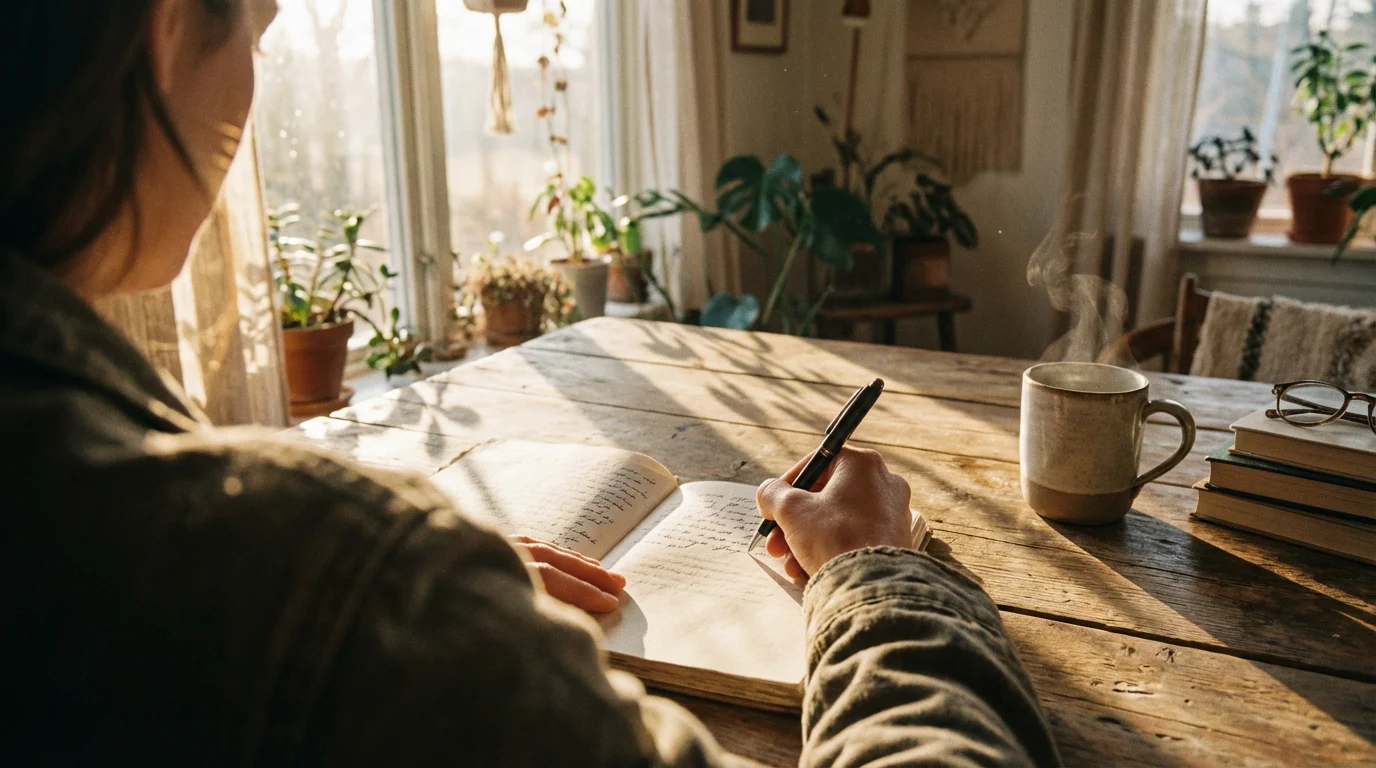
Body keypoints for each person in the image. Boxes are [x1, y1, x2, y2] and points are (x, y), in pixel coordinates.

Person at [0, 0, 1061, 765]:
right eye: (264, 30)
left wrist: (428, 600)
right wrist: (879, 575)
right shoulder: (316, 573)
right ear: (168, 26)